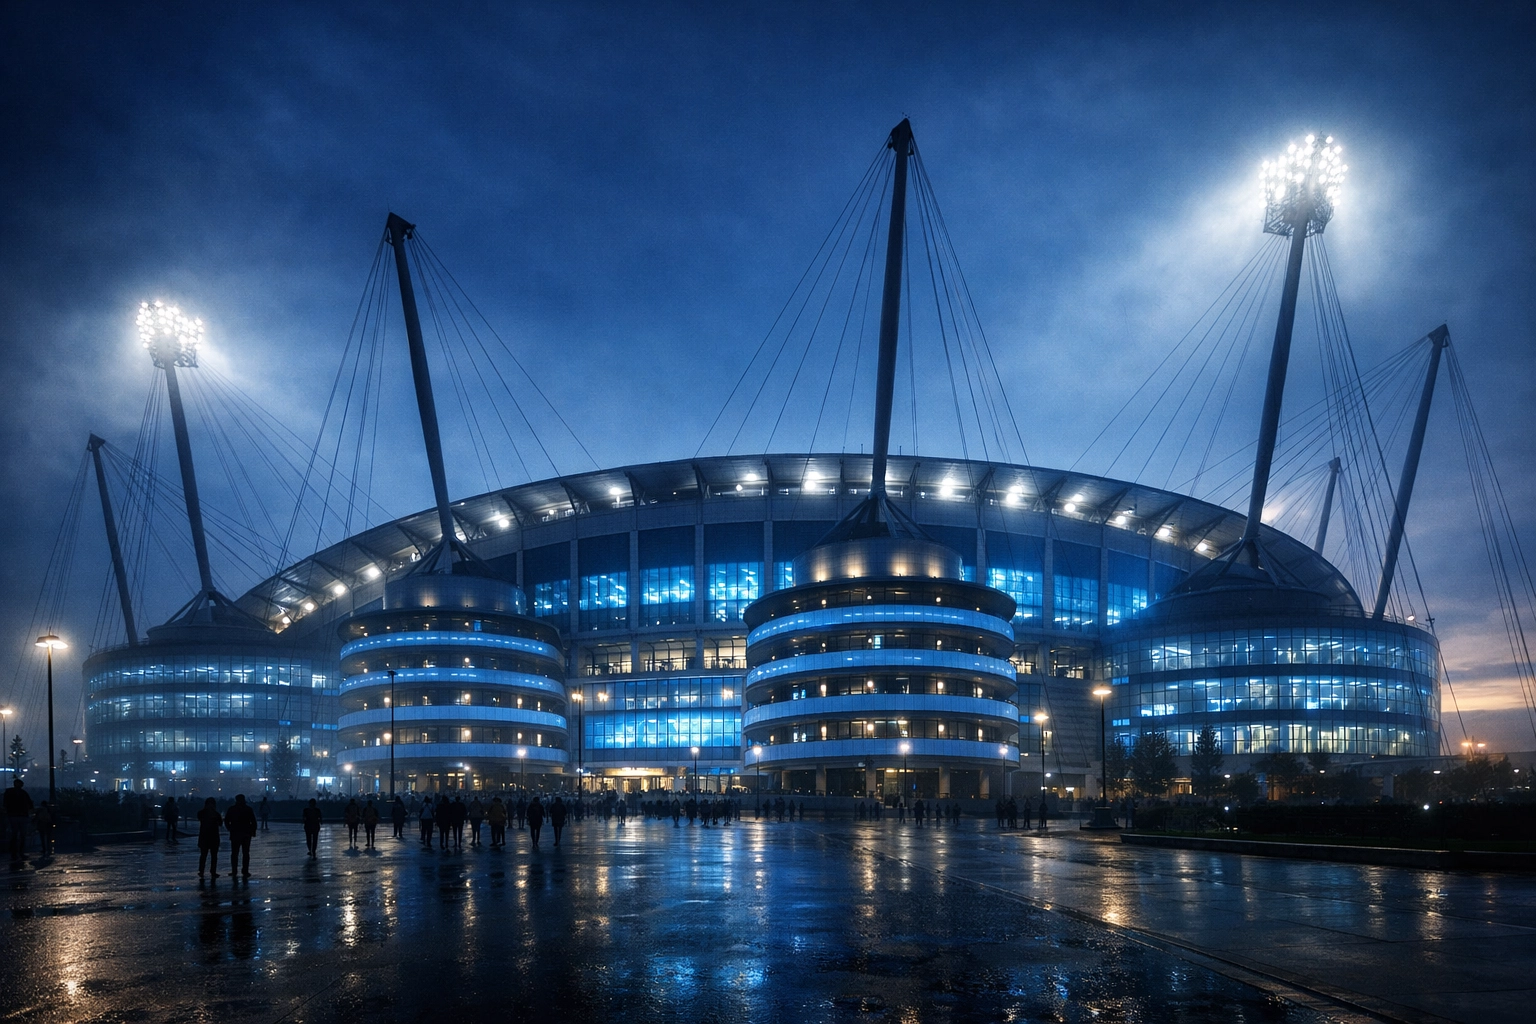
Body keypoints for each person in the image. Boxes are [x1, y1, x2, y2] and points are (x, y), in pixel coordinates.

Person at [226, 794, 258, 877]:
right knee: (245, 853)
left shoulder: (232, 809)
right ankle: (245, 871)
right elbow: (253, 821)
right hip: (246, 833)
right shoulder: (248, 809)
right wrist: (252, 831)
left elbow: (226, 820)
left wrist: (230, 828)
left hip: (235, 833)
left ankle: (234, 871)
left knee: (235, 853)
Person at [5, 778, 33, 861]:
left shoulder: (9, 793)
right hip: (22, 816)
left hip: (13, 816)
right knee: (22, 835)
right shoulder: (23, 793)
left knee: (14, 835)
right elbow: (30, 804)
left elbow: (5, 803)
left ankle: (14, 853)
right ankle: (20, 852)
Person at [196, 797, 223, 878]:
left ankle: (202, 871)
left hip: (205, 836)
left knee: (204, 855)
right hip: (213, 836)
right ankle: (212, 871)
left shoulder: (201, 813)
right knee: (212, 856)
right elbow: (220, 823)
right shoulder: (216, 814)